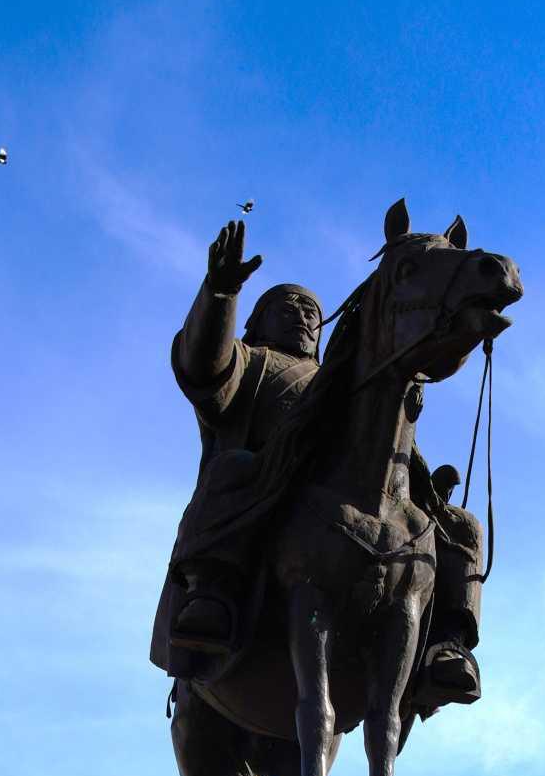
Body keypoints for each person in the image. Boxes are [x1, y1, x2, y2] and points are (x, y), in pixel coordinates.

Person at [151, 218, 483, 706]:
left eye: (312, 312)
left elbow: (379, 438)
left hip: (346, 495)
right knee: (231, 469)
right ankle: (212, 591)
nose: (305, 318)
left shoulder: (343, 377)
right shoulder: (251, 360)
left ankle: (447, 643)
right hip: (265, 484)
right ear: (258, 323)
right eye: (288, 308)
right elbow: (204, 366)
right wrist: (220, 294)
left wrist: (423, 486)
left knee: (462, 527)